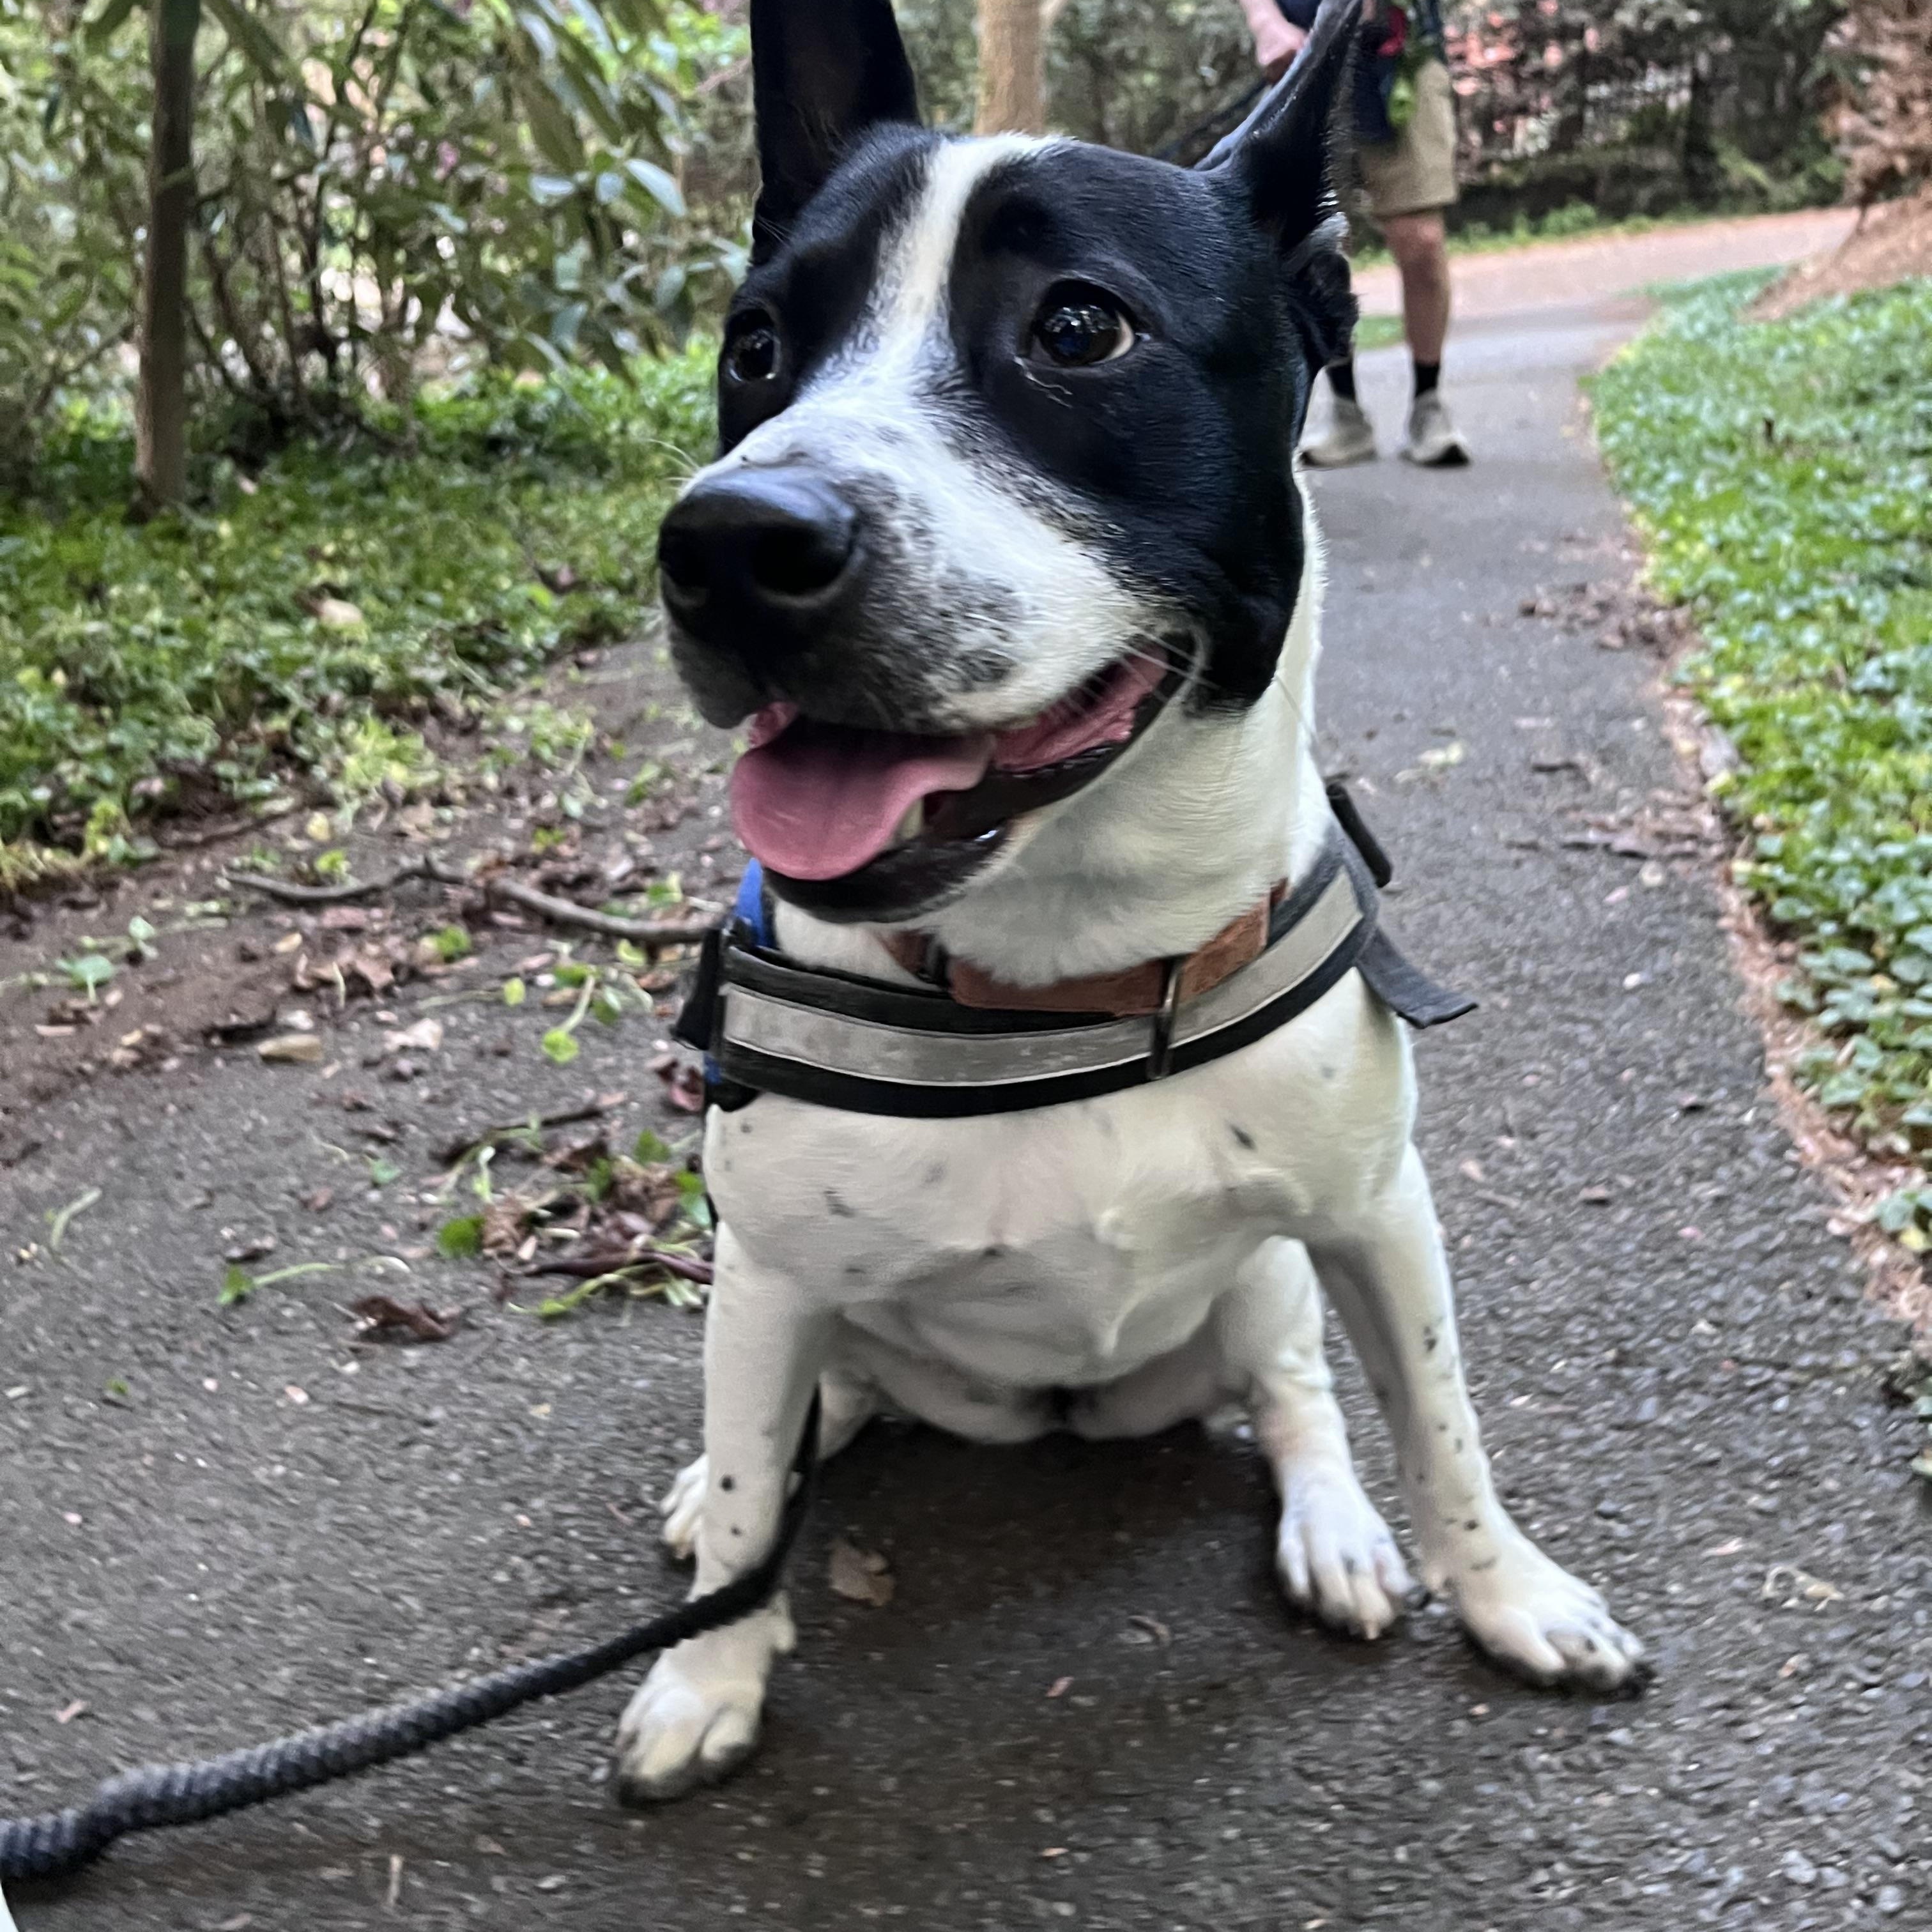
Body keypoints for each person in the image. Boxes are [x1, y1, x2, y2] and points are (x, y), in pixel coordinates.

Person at [1238, 0, 1469, 467]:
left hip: (1399, 52)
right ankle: (1347, 414)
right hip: (1301, 59)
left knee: (1421, 240)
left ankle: (1429, 405)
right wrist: (1266, 23)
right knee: (1317, 247)